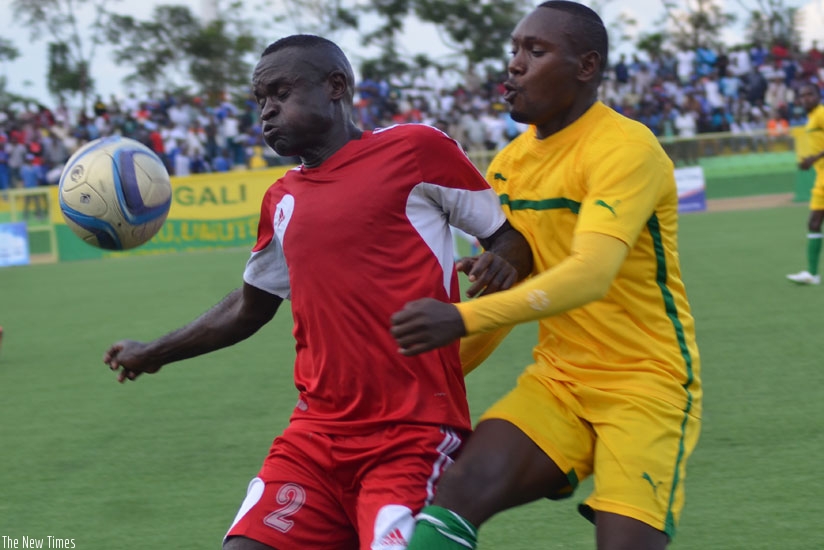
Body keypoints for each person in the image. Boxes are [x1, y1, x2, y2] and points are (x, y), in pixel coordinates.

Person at [102, 34, 532, 550]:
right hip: (314, 437)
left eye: (280, 93)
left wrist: (502, 262)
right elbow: (246, 308)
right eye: (260, 100)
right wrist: (155, 352)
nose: (267, 111)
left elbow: (507, 238)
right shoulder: (280, 199)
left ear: (336, 86)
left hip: (411, 433)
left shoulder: (416, 150)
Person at [390, 3, 702, 549]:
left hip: (644, 383)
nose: (514, 64)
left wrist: (458, 318)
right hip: (558, 381)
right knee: (458, 493)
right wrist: (417, 378)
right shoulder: (508, 165)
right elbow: (505, 297)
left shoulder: (626, 148)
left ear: (586, 66)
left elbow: (589, 277)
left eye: (535, 51)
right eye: (514, 50)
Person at [787, 82, 824, 285]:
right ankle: (812, 274)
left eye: (810, 94)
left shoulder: (821, 113)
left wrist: (812, 159)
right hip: (821, 178)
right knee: (813, 223)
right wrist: (811, 160)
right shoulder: (810, 118)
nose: (806, 98)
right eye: (802, 96)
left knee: (815, 223)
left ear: (818, 96)